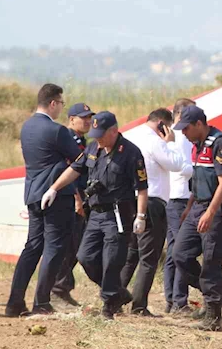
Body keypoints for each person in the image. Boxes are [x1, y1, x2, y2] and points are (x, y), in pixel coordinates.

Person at [42, 111, 149, 320]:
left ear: (114, 131)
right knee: (85, 256)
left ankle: (109, 307)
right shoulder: (93, 148)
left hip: (118, 214)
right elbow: (75, 169)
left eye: (101, 134)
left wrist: (141, 216)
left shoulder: (131, 153)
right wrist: (54, 188)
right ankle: (117, 293)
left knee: (111, 260)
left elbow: (142, 188)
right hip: (96, 214)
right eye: (95, 134)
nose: (98, 139)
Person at [5, 84, 82, 317]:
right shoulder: (57, 131)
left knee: (33, 246)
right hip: (55, 195)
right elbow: (79, 160)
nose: (61, 108)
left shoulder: (27, 127)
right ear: (53, 103)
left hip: (33, 193)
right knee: (55, 247)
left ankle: (14, 302)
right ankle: (42, 301)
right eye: (61, 104)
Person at [172, 105, 222, 331]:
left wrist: (210, 212)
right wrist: (189, 208)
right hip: (196, 207)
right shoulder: (196, 146)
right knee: (180, 254)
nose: (183, 133)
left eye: (186, 128)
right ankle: (214, 295)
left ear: (199, 124)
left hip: (216, 209)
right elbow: (198, 181)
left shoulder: (220, 144)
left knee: (211, 261)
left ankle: (213, 317)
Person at [120, 108, 191, 316]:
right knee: (148, 258)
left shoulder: (133, 136)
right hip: (152, 202)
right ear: (162, 124)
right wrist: (170, 142)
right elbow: (177, 164)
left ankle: (114, 298)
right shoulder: (156, 141)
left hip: (132, 200)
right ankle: (139, 305)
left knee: (131, 254)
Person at [52, 102, 95, 307]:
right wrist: (78, 199)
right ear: (71, 119)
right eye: (83, 117)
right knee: (69, 245)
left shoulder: (83, 141)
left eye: (89, 117)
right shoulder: (69, 139)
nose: (87, 121)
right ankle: (58, 290)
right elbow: (69, 171)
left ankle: (62, 288)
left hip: (82, 198)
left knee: (76, 245)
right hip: (71, 198)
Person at [164, 98, 196, 314]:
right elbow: (185, 168)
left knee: (172, 251)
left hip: (171, 198)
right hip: (181, 199)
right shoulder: (182, 139)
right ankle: (179, 301)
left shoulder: (170, 139)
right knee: (182, 251)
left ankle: (171, 299)